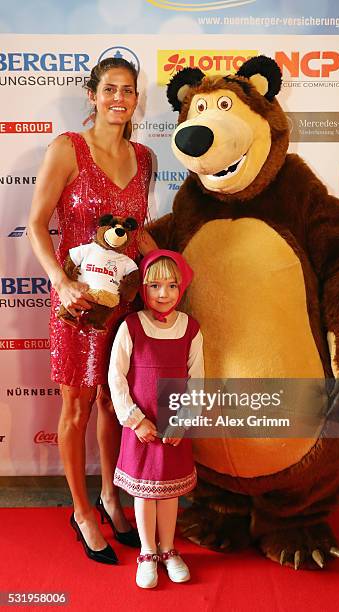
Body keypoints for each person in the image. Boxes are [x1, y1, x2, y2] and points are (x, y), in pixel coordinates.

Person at [28, 56, 157, 565]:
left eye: (128, 91)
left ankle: (110, 496)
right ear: (93, 94)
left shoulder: (145, 157)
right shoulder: (68, 148)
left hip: (122, 303)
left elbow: (136, 231)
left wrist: (166, 265)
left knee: (112, 402)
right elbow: (37, 224)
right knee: (76, 407)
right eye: (110, 89)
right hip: (77, 303)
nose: (119, 99)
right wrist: (60, 283)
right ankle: (81, 511)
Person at [108, 250, 204, 588]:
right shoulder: (131, 326)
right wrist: (135, 420)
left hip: (173, 428)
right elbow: (116, 377)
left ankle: (168, 549)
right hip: (142, 429)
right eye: (154, 285)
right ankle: (147, 551)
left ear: (182, 288)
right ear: (142, 289)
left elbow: (197, 379)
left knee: (169, 492)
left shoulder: (191, 329)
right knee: (145, 492)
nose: (163, 294)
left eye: (171, 285)